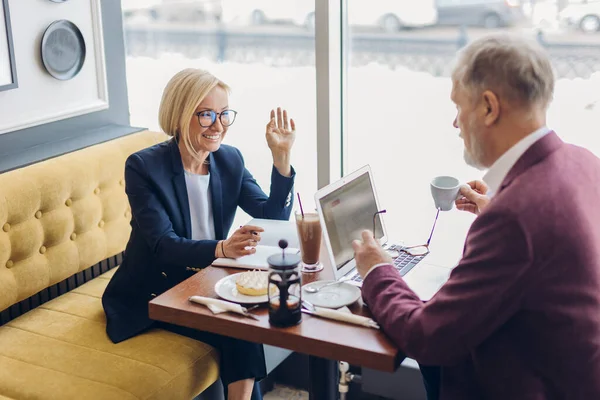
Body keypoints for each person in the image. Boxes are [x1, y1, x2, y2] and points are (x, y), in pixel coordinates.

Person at [352, 33, 600, 399]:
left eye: (458, 106)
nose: (456, 124)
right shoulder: (583, 162)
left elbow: (428, 336)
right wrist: (498, 207)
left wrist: (376, 268)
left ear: (488, 107)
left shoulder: (516, 218)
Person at [102, 68, 298, 400]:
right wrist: (223, 248)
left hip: (207, 281)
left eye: (224, 114)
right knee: (241, 327)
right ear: (179, 116)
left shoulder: (229, 160)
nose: (218, 125)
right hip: (156, 291)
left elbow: (273, 216)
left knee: (249, 320)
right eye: (206, 114)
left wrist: (282, 161)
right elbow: (163, 246)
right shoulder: (143, 167)